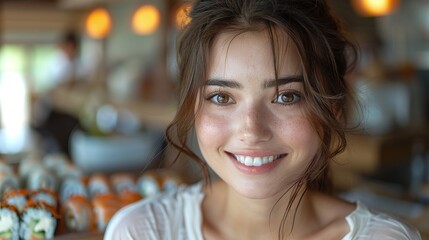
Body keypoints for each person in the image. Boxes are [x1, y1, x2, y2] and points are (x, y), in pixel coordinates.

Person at [105, 0, 422, 239]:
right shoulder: (144, 232)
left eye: (286, 97)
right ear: (192, 107)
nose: (251, 130)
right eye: (222, 97)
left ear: (333, 110)